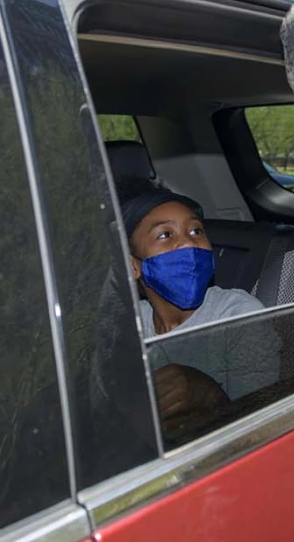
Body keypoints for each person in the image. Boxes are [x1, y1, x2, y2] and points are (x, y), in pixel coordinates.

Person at [118, 178, 280, 433]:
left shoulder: (237, 314)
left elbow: (260, 423)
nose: (188, 243)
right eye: (165, 235)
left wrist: (208, 396)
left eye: (196, 231)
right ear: (133, 265)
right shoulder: (128, 325)